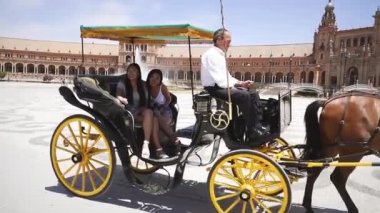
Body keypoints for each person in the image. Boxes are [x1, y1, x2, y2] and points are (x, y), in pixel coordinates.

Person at [201, 28, 273, 147]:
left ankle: (256, 126)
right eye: (228, 41)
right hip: (214, 89)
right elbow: (220, 80)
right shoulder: (211, 55)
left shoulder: (219, 55)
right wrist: (238, 86)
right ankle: (252, 130)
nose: (230, 44)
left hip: (221, 85)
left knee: (252, 92)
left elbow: (227, 77)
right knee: (243, 95)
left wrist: (241, 83)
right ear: (219, 40)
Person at [115, 63, 168, 159]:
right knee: (154, 118)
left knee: (151, 114)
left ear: (138, 73)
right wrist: (122, 99)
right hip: (129, 112)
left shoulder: (143, 84)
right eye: (129, 71)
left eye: (134, 71)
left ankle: (146, 144)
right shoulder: (122, 83)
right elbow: (118, 95)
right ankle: (158, 149)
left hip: (142, 110)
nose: (131, 73)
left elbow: (152, 94)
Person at [146, 69, 181, 155]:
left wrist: (163, 108)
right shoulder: (146, 87)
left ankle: (160, 146)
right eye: (152, 77)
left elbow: (169, 99)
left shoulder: (163, 87)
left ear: (160, 80)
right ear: (148, 77)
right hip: (154, 110)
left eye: (157, 78)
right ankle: (175, 140)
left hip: (165, 109)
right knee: (155, 116)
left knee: (156, 115)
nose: (154, 79)